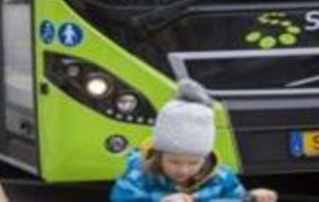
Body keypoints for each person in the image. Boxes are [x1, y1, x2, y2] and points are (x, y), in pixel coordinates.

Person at [110, 79, 278, 202]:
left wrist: (253, 197)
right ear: (159, 155)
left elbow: (236, 198)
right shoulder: (138, 175)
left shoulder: (222, 177)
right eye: (175, 162)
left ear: (205, 158)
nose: (183, 170)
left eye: (193, 163)